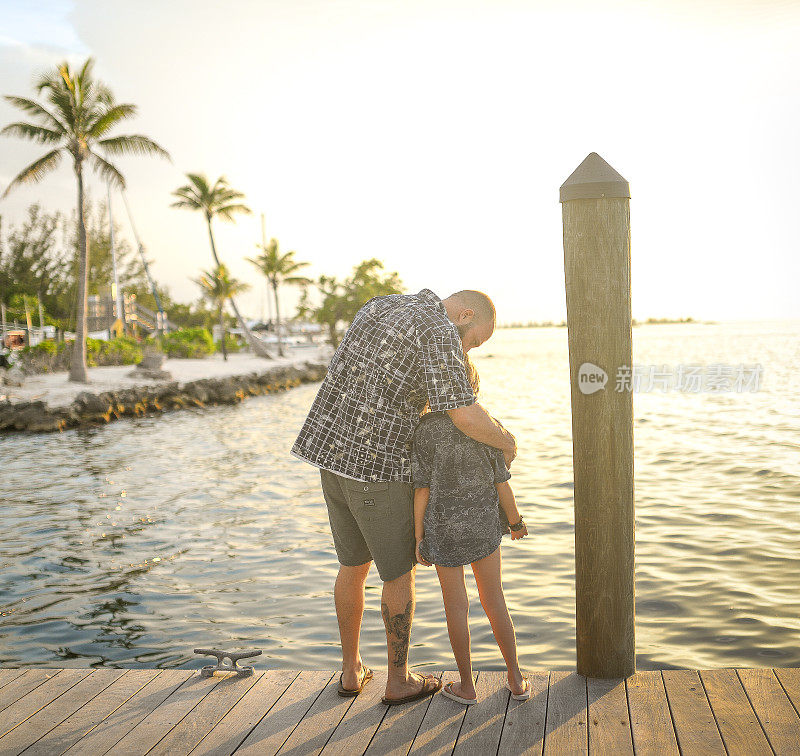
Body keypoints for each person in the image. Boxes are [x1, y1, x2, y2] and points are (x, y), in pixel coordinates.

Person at [291, 288, 517, 705]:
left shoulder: (382, 303)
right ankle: (399, 680)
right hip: (375, 466)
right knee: (398, 575)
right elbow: (463, 413)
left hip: (329, 453)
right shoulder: (440, 329)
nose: (468, 350)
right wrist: (505, 441)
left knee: (352, 566)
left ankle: (351, 671)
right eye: (475, 341)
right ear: (465, 315)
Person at [412, 351, 530, 705]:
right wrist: (515, 521)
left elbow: (422, 489)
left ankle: (466, 685)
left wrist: (418, 537)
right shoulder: (484, 425)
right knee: (495, 600)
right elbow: (501, 483)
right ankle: (517, 679)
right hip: (482, 529)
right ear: (472, 385)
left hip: (443, 532)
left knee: (455, 607)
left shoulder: (425, 430)